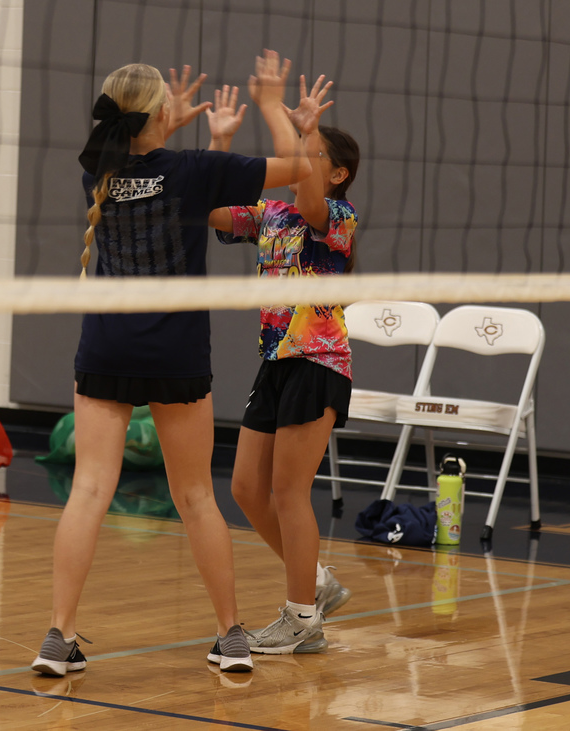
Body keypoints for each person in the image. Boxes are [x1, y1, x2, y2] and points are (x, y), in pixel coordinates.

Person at [30, 52, 312, 677]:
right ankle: (230, 636)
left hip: (105, 348)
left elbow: (139, 166)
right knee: (194, 496)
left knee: (89, 491)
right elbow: (304, 169)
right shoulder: (200, 170)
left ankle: (58, 637)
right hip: (177, 353)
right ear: (161, 113)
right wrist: (272, 106)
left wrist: (164, 125)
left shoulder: (95, 174)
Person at [208, 73, 360, 654]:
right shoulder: (272, 215)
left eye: (314, 153)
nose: (300, 158)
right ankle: (317, 580)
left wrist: (289, 118)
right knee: (247, 487)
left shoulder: (336, 217)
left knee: (290, 491)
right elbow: (214, 211)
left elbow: (306, 191)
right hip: (274, 360)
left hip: (317, 359)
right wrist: (219, 145)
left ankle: (303, 619)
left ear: (337, 172)